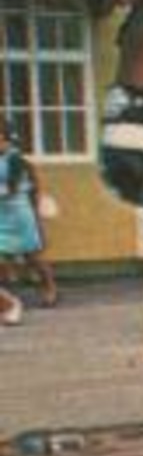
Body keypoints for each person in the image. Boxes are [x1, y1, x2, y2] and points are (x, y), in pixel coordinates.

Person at [0, 119, 57, 315]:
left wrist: (38, 209)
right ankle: (7, 297)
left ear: (4, 137)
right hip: (1, 213)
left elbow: (12, 188)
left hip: (18, 213)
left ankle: (50, 289)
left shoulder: (16, 159)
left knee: (32, 256)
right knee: (2, 257)